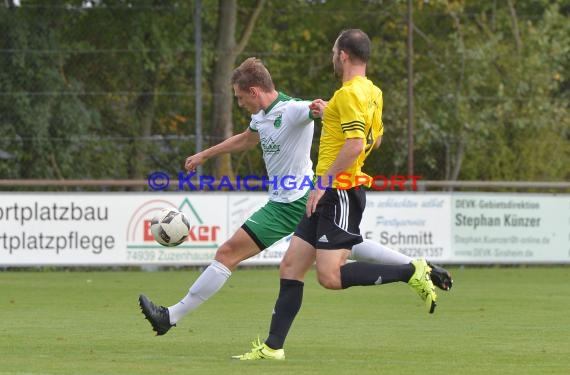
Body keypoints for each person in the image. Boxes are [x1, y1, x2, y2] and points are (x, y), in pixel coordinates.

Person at [138, 57, 452, 337]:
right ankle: (420, 268)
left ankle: (170, 316)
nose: (239, 104)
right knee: (348, 247)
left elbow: (321, 109)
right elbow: (246, 139)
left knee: (227, 253)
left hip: (290, 203)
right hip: (301, 201)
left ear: (255, 91)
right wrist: (204, 155)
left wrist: (322, 108)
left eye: (239, 98)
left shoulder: (293, 110)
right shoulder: (261, 116)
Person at [233, 29, 440, 361]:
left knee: (329, 276)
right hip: (335, 188)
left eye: (333, 51)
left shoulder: (347, 94)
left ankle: (410, 271)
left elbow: (356, 144)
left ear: (343, 54)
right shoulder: (371, 92)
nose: (332, 56)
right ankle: (273, 348)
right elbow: (374, 140)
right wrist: (332, 114)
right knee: (290, 266)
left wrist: (325, 182)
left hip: (338, 191)